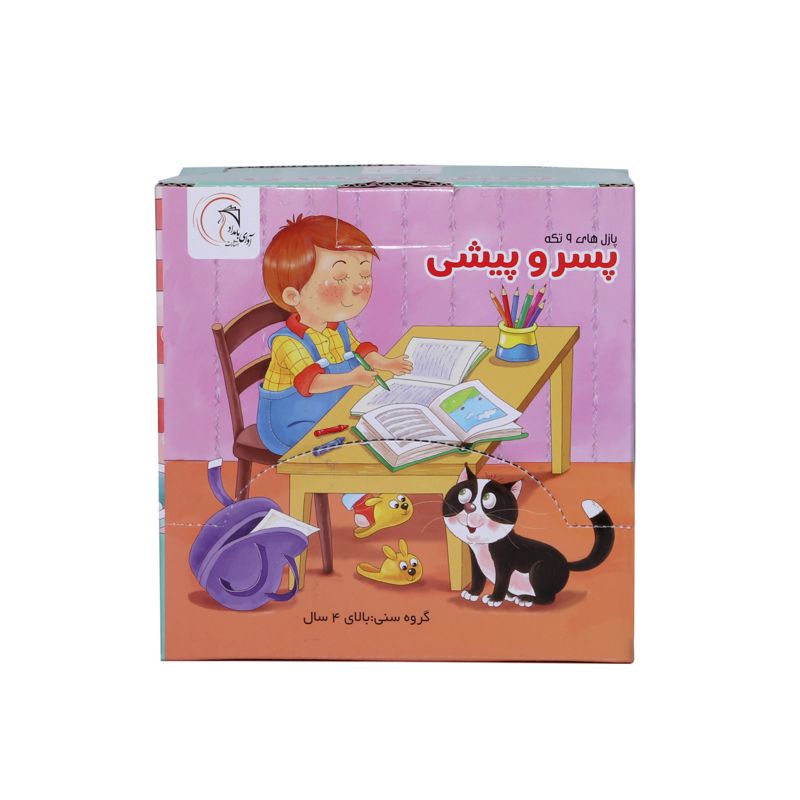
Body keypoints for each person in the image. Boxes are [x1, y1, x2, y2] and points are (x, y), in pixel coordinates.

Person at [258, 214, 412, 454]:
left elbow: (360, 352)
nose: (359, 286)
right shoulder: (287, 343)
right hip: (290, 424)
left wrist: (386, 363)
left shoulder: (337, 327)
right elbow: (312, 383)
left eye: (364, 274)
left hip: (328, 411)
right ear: (292, 296)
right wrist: (352, 378)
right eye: (340, 277)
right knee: (360, 443)